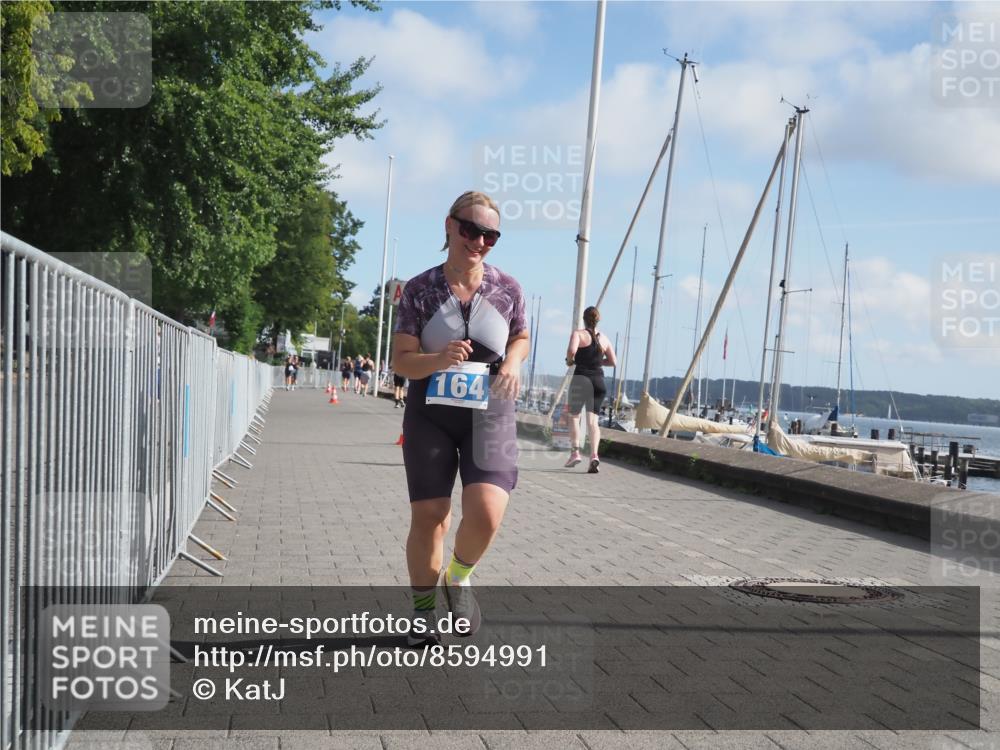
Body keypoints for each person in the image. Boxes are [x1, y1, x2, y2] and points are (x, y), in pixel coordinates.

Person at [392, 190, 528, 646]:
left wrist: (512, 363)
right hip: (430, 414)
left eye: (490, 235)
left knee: (488, 512)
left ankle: (459, 576)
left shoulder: (507, 288)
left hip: (490, 413)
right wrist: (437, 359)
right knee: (430, 514)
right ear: (449, 225)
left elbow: (522, 336)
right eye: (471, 230)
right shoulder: (420, 289)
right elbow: (401, 362)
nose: (480, 241)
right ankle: (423, 610)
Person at [564, 306, 617, 473]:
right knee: (593, 422)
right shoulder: (605, 339)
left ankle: (575, 453)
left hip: (581, 379)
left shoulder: (578, 334)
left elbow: (572, 351)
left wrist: (570, 360)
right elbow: (613, 361)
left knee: (574, 417)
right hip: (598, 382)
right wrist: (599, 363)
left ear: (584, 319)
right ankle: (594, 455)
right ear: (598, 320)